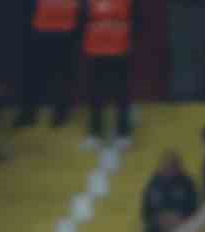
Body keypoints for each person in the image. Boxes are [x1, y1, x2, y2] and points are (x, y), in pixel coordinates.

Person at [19, 0, 79, 128]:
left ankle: (60, 113)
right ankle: (29, 112)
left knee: (62, 74)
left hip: (66, 29)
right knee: (34, 73)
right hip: (41, 27)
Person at [84, 0, 133, 143]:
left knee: (121, 92)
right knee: (95, 92)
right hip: (95, 47)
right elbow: (85, 15)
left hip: (120, 47)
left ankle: (124, 134)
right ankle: (94, 133)